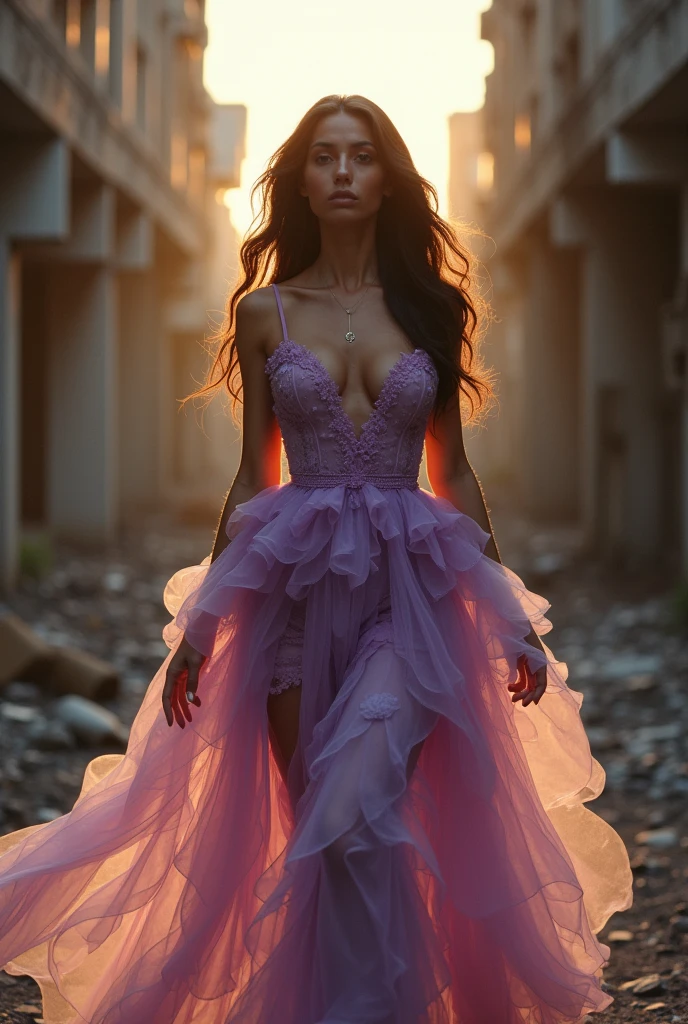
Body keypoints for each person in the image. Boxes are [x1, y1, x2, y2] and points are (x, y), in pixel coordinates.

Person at [0, 94, 632, 1024]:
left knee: (357, 799)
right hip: (288, 600)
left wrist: (508, 622)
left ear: (387, 178)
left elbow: (452, 470)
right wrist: (201, 627)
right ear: (301, 177)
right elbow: (252, 481)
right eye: (325, 156)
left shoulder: (430, 307)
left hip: (410, 598)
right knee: (329, 838)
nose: (342, 172)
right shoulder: (265, 313)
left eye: (361, 156)